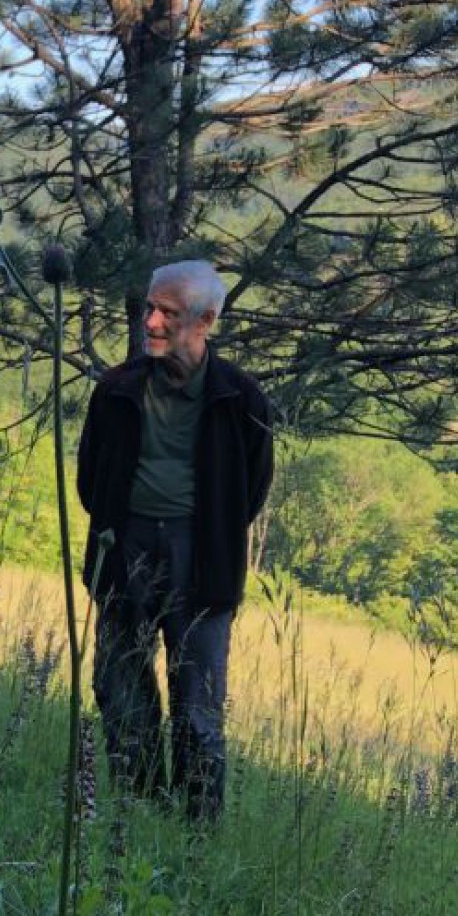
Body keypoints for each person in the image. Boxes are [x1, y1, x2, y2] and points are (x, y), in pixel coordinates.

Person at [76, 260, 274, 823]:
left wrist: (203, 536)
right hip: (124, 549)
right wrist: (125, 532)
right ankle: (137, 812)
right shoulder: (117, 388)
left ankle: (194, 833)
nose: (152, 322)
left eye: (168, 312)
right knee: (119, 691)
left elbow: (251, 490)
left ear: (205, 320)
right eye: (149, 307)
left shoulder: (241, 398)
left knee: (198, 710)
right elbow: (92, 478)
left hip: (203, 562)